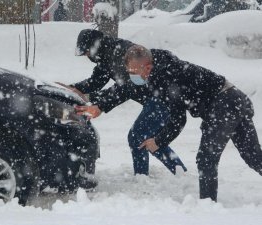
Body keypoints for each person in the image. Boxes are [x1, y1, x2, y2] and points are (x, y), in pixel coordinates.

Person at [76, 45, 262, 201]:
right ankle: (208, 204)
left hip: (225, 104)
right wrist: (100, 106)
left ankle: (208, 208)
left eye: (134, 71)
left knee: (206, 159)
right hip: (234, 99)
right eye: (129, 71)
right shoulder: (157, 70)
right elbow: (126, 87)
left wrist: (158, 141)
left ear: (147, 68)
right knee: (253, 157)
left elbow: (178, 120)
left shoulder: (167, 76)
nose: (131, 75)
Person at [59, 29, 187, 176]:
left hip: (160, 96)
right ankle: (178, 171)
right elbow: (96, 81)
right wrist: (74, 88)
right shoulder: (105, 55)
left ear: (94, 46)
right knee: (149, 138)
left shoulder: (120, 53)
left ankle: (143, 176)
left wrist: (99, 104)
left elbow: (126, 88)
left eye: (87, 52)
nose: (87, 56)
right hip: (153, 97)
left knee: (137, 136)